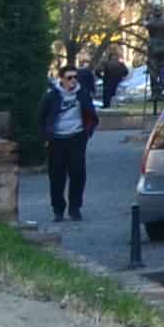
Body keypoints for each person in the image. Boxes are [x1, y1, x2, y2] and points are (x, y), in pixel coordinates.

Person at [38, 62, 103, 222]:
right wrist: (46, 137)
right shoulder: (51, 96)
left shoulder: (82, 93)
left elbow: (91, 113)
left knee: (78, 174)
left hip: (76, 138)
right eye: (69, 78)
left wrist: (87, 132)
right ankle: (58, 209)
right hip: (57, 140)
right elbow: (41, 117)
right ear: (61, 79)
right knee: (57, 176)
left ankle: (75, 208)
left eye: (75, 77)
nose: (73, 81)